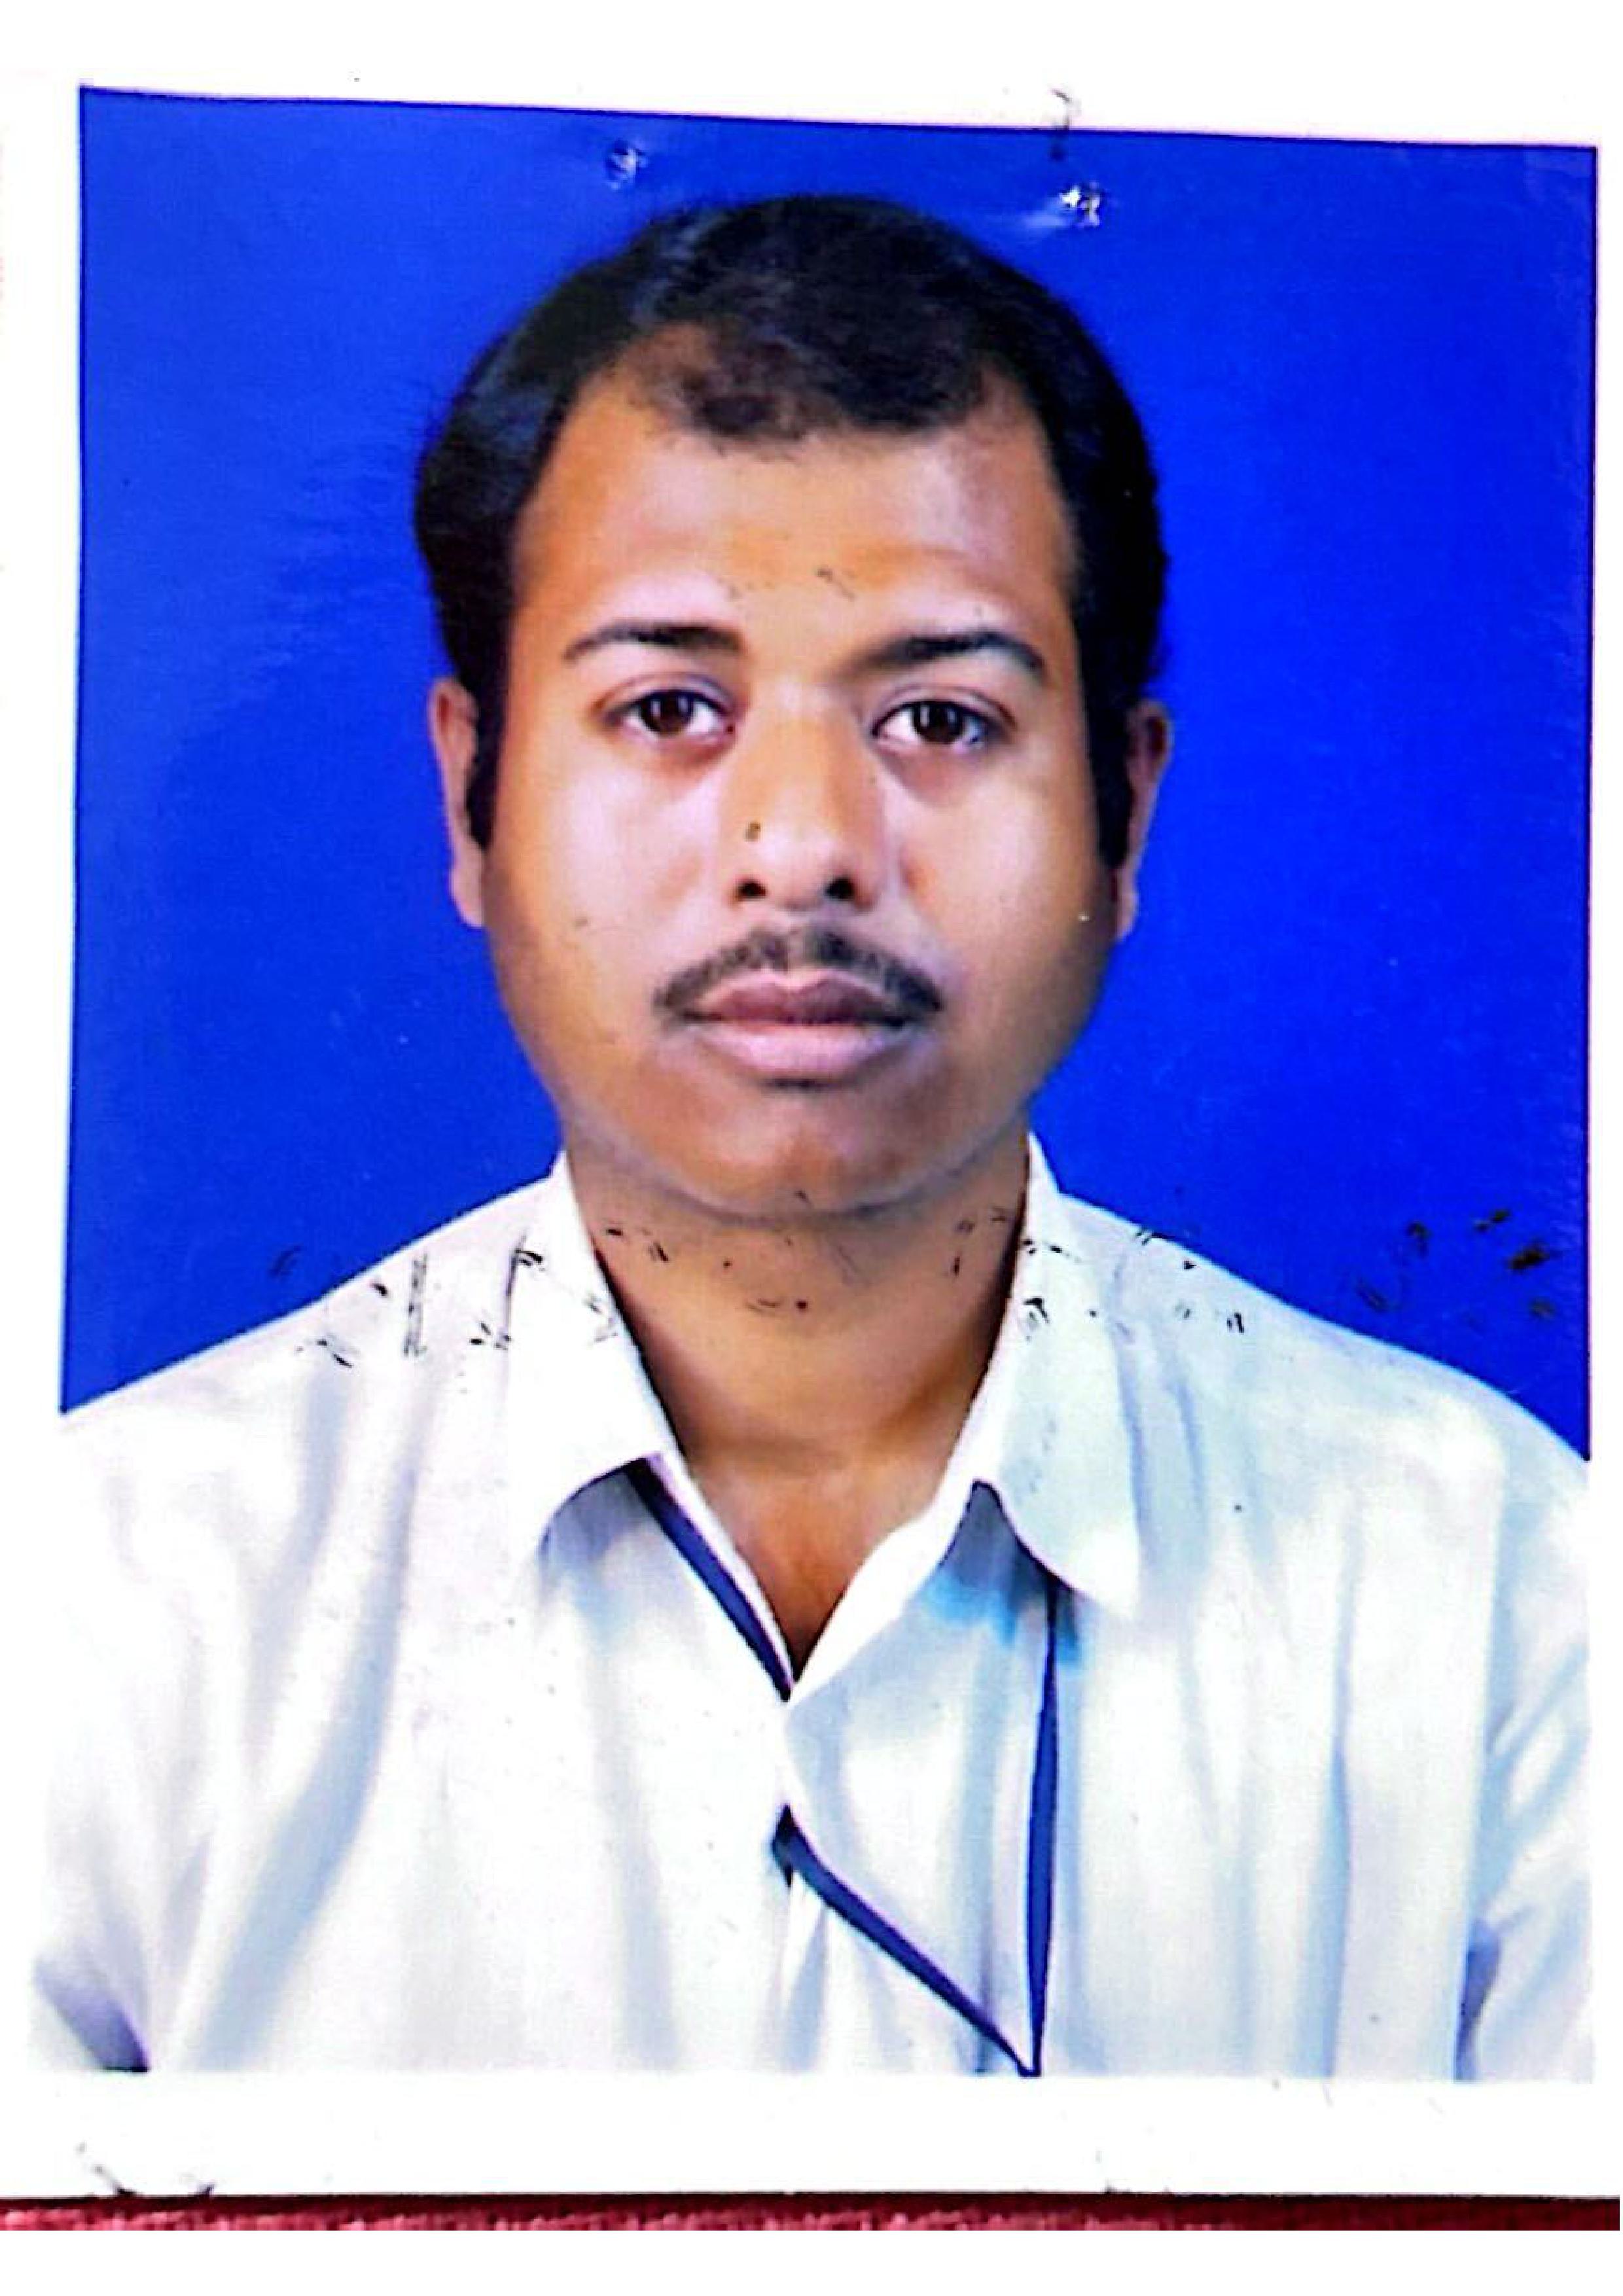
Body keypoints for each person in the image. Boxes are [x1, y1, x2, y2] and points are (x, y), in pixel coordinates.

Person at [33, 195, 1587, 2077]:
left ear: (1126, 812)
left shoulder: (1498, 1597)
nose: (803, 847)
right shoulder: (108, 1601)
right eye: (668, 707)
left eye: (939, 717)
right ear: (471, 798)